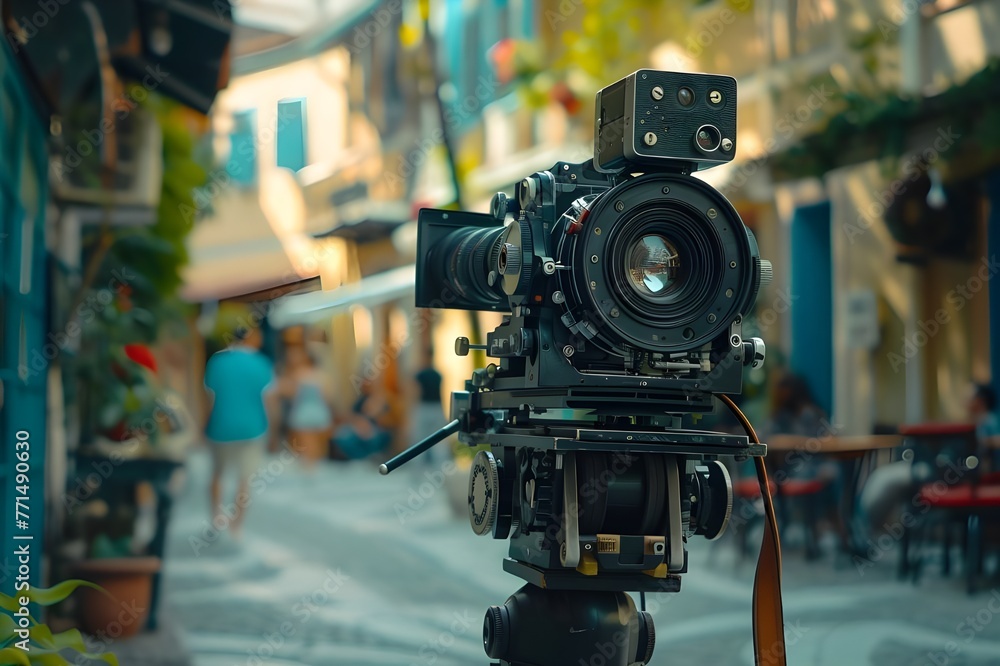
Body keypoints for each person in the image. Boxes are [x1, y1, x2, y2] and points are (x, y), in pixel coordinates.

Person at [203, 326, 276, 539]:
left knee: (217, 473)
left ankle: (216, 517)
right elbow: (269, 400)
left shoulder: (217, 361)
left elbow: (209, 397)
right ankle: (237, 526)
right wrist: (274, 431)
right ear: (251, 338)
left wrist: (203, 425)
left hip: (220, 426)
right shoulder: (262, 363)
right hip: (253, 428)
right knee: (245, 478)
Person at [278, 345, 333, 470]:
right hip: (320, 413)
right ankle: (316, 467)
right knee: (318, 444)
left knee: (307, 444)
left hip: (303, 413)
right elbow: (328, 398)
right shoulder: (322, 375)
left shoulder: (296, 374)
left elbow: (288, 393)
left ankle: (310, 468)